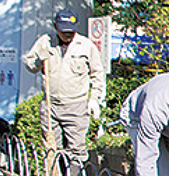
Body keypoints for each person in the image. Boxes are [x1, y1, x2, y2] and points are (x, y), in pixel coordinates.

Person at [22, 9, 106, 167]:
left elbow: (97, 74)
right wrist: (39, 59)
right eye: (64, 31)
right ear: (55, 26)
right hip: (50, 104)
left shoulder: (86, 46)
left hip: (76, 105)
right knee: (52, 147)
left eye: (71, 31)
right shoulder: (45, 42)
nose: (68, 35)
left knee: (76, 149)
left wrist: (94, 99)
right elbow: (30, 65)